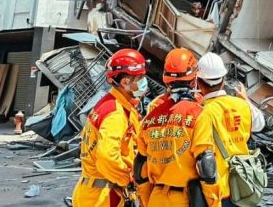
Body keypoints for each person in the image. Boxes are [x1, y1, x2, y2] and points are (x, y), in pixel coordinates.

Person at [72, 48, 148, 207]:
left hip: (94, 192)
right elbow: (107, 157)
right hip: (104, 197)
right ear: (125, 82)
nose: (143, 82)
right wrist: (127, 179)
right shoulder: (115, 113)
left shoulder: (110, 104)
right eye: (140, 78)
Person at [191, 53, 265, 207]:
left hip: (219, 191)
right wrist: (246, 99)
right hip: (244, 185)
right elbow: (260, 124)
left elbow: (203, 158)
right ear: (223, 80)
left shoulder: (202, 113)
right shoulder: (242, 105)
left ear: (198, 83)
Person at [135, 48, 203, 207]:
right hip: (186, 198)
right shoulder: (199, 112)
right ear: (194, 80)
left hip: (156, 197)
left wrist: (145, 199)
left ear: (166, 80)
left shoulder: (151, 115)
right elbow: (206, 163)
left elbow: (140, 164)